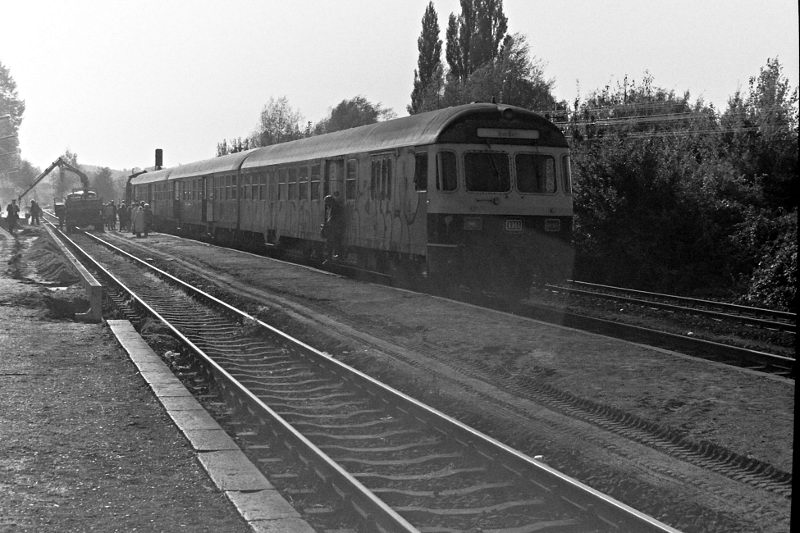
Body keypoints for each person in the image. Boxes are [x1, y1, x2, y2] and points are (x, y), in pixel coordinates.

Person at [322, 191, 345, 261]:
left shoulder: (335, 207)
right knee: (335, 242)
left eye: (326, 203)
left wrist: (327, 224)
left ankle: (331, 257)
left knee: (331, 242)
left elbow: (333, 218)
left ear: (330, 201)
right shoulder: (335, 206)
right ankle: (335, 256)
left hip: (335, 228)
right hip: (336, 228)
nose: (326, 205)